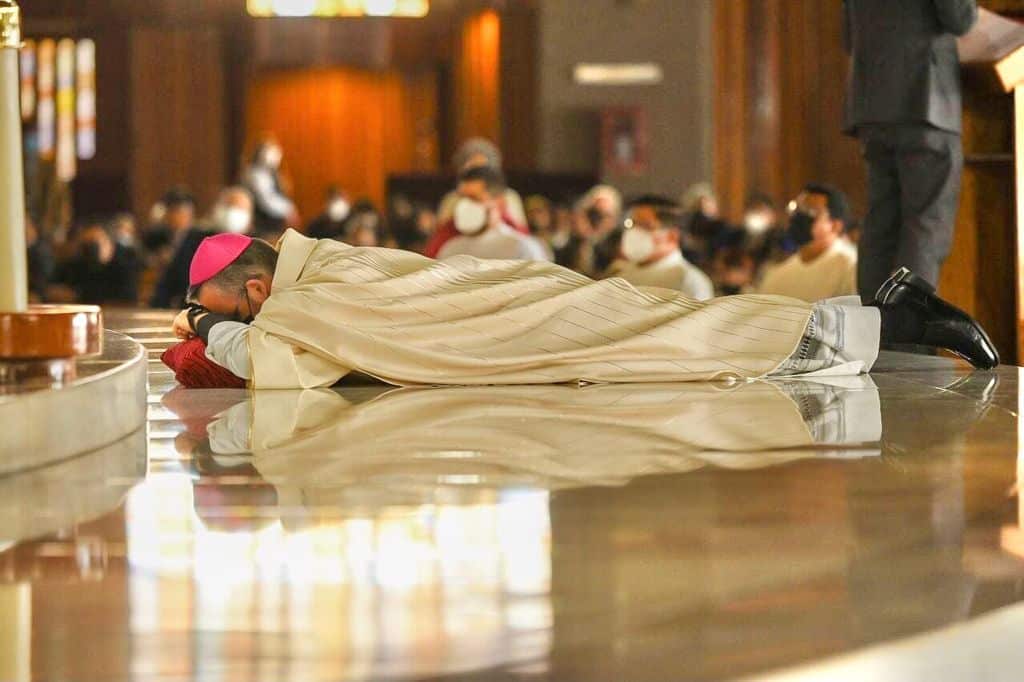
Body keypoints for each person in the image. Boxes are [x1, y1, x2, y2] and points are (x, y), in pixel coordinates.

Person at [167, 227, 997, 391]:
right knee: (672, 325)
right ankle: (887, 310)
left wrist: (209, 331)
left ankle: (903, 322)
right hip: (516, 300)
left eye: (220, 303)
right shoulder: (322, 257)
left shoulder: (301, 305)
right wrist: (213, 317)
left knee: (685, 337)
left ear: (256, 292)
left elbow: (268, 366)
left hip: (518, 329)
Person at [844, 0, 979, 302]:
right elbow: (960, 18)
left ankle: (875, 331)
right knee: (925, 225)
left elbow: (846, 34)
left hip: (872, 104)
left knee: (881, 224)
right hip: (923, 100)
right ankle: (908, 332)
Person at [757, 184, 859, 303]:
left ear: (835, 225)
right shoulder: (777, 274)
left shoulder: (851, 267)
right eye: (796, 209)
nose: (799, 216)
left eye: (811, 211)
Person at [602, 195, 714, 301]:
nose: (633, 232)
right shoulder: (619, 272)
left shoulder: (689, 281)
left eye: (645, 226)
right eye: (632, 224)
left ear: (672, 236)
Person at [434, 166, 550, 262]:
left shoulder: (522, 247)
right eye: (462, 199)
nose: (465, 206)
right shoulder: (450, 249)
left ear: (499, 203)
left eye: (474, 198)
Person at [149, 190, 212, 309]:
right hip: (170, 304)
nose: (171, 216)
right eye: (169, 211)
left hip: (193, 304)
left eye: (176, 211)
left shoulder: (202, 238)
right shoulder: (162, 236)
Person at [53, 221, 140, 305]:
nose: (91, 249)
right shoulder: (77, 263)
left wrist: (79, 295)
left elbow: (126, 298)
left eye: (95, 244)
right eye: (87, 244)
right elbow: (56, 287)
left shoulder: (125, 263)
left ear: (109, 243)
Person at [243, 137, 299, 239]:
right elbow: (266, 200)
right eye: (269, 150)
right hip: (262, 225)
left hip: (274, 225)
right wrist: (288, 209)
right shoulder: (254, 174)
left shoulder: (273, 174)